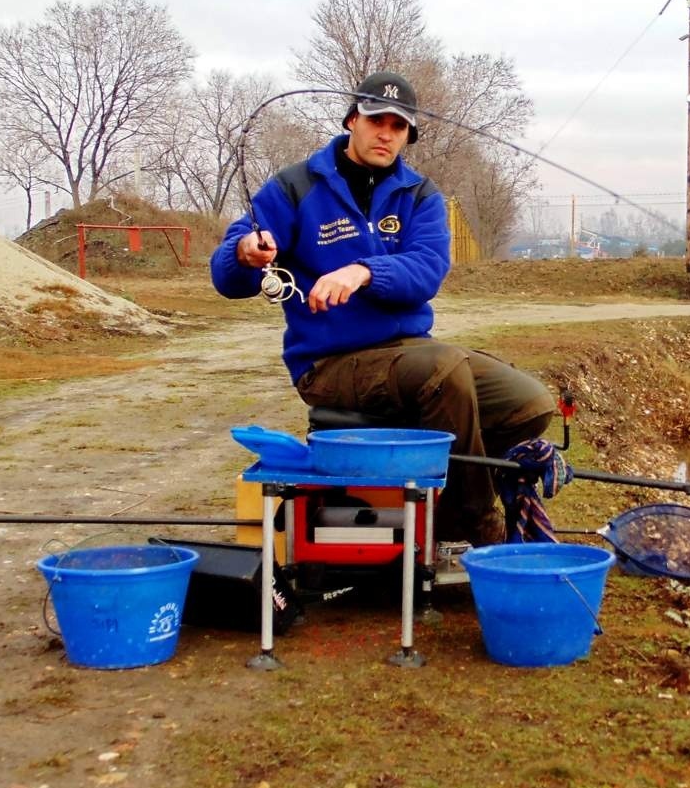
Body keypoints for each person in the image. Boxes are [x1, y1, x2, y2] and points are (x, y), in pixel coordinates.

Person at [210, 71, 555, 544]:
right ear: (353, 119)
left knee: (528, 403)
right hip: (329, 363)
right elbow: (228, 276)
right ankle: (469, 529)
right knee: (444, 370)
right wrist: (245, 252)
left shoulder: (421, 195)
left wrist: (363, 271)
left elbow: (428, 269)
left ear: (408, 134)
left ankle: (446, 495)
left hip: (409, 352)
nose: (386, 133)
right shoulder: (294, 187)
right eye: (377, 120)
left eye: (399, 125)